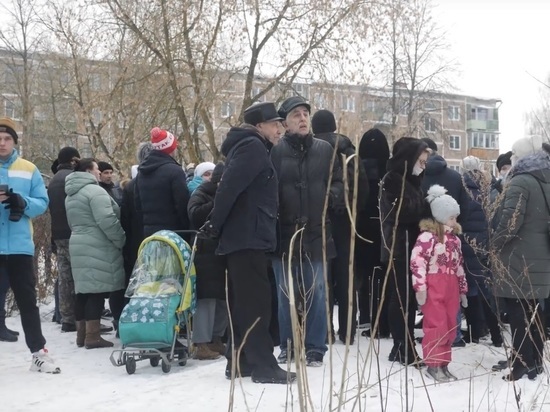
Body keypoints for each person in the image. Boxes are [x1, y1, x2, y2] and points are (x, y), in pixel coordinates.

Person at [200, 101, 296, 384]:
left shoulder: (249, 147)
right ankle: (264, 366)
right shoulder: (252, 147)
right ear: (259, 127)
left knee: (244, 303)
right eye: (275, 124)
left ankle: (240, 362)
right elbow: (228, 190)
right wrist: (215, 225)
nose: (280, 129)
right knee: (256, 304)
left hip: (245, 237)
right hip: (247, 238)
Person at [270, 96, 344, 366]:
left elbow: (339, 182)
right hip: (284, 235)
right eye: (295, 115)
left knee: (317, 293)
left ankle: (315, 348)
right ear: (285, 123)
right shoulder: (275, 151)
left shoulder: (325, 149)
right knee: (284, 295)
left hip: (316, 233)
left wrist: (330, 197)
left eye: (305, 114)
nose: (302, 118)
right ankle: (289, 345)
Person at [0, 117, 60, 373]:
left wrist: (20, 202)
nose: (1, 143)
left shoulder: (29, 168)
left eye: (6, 139)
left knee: (27, 302)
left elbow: (42, 203)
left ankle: (38, 353)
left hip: (20, 248)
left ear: (14, 142)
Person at [493, 137, 550, 381]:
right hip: (542, 255)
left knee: (517, 314)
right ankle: (535, 361)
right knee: (536, 312)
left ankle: (521, 363)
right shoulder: (546, 178)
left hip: (519, 257)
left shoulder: (521, 180)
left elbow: (510, 221)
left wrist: (493, 245)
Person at [311, 109, 368, 344]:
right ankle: (347, 331)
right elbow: (362, 186)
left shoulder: (312, 148)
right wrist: (355, 211)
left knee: (322, 276)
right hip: (346, 219)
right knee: (346, 275)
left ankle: (325, 331)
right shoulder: (348, 150)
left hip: (318, 219)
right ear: (334, 126)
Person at [65, 158, 126, 349]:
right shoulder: (95, 191)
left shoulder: (71, 194)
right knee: (97, 290)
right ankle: (93, 336)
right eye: (97, 169)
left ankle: (81, 335)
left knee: (83, 290)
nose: (100, 172)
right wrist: (121, 239)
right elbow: (107, 219)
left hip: (78, 241)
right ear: (89, 172)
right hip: (98, 243)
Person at [379, 137, 430, 366]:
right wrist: (427, 211)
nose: (423, 166)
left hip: (411, 245)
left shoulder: (413, 180)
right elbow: (399, 213)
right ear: (409, 159)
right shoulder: (392, 180)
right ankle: (403, 346)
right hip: (399, 246)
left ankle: (401, 345)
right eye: (421, 160)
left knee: (407, 300)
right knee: (401, 299)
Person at [410, 184, 468, 382]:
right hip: (434, 286)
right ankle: (433, 364)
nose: (455, 221)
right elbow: (417, 262)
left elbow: (459, 265)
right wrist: (420, 288)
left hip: (451, 286)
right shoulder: (427, 237)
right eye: (452, 217)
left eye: (455, 217)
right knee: (437, 325)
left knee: (451, 325)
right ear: (441, 216)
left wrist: (462, 290)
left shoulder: (455, 240)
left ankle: (444, 363)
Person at [460, 156, 502, 347]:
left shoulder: (461, 188)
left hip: (466, 242)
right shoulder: (487, 188)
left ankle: (474, 331)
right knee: (486, 290)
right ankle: (495, 334)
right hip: (484, 244)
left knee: (469, 289)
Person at [188, 162, 228, 360]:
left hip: (221, 252)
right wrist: (217, 201)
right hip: (205, 252)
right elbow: (195, 216)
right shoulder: (201, 192)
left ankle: (216, 338)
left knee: (222, 298)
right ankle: (201, 342)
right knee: (207, 299)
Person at [356, 128, 391, 338]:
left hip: (361, 225)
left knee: (363, 271)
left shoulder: (357, 167)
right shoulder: (388, 170)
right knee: (381, 272)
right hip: (383, 226)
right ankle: (380, 315)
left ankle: (365, 314)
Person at [47, 146, 80, 333]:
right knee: (78, 277)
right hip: (73, 232)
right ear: (73, 160)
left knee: (64, 276)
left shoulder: (53, 181)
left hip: (58, 234)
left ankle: (66, 317)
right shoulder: (72, 178)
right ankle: (81, 317)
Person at [136, 127, 190, 238]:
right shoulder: (175, 171)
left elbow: (137, 205)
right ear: (171, 148)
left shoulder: (141, 172)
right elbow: (182, 204)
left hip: (149, 234)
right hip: (173, 234)